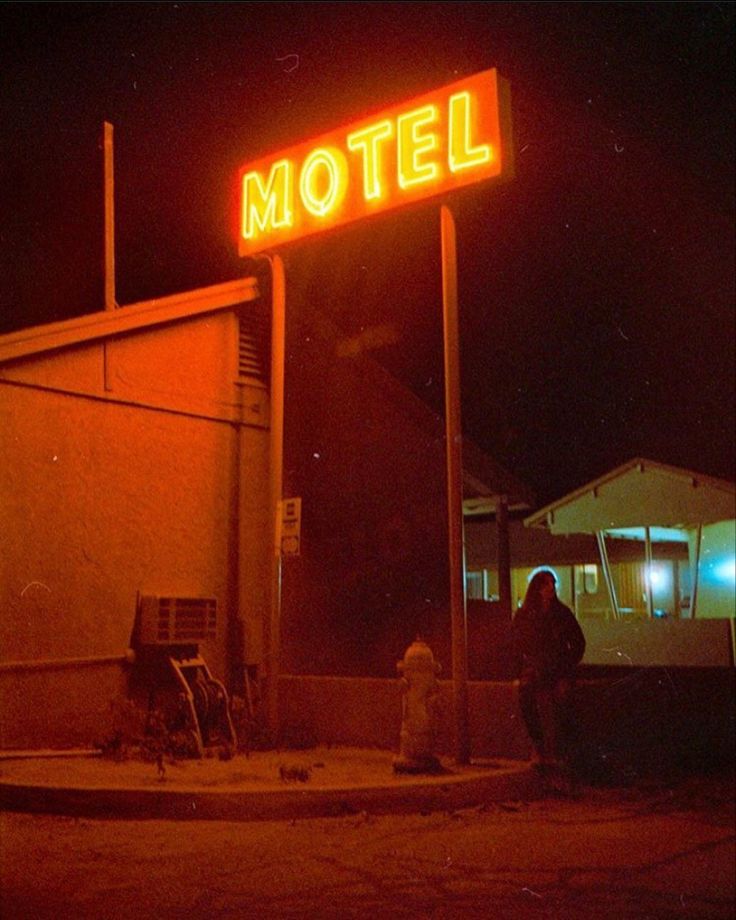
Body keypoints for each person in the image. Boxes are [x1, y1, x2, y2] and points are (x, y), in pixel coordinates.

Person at [511, 568, 586, 780]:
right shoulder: (525, 616)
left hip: (558, 671)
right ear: (537, 588)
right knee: (526, 698)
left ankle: (562, 752)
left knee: (563, 702)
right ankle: (539, 747)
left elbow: (578, 643)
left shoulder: (562, 614)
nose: (550, 589)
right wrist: (521, 671)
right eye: (546, 584)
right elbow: (515, 646)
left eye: (552, 584)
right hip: (536, 670)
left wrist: (566, 668)